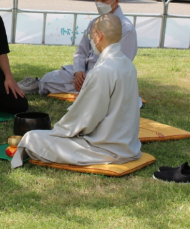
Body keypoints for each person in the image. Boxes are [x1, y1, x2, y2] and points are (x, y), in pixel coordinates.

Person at [11, 14, 142, 168]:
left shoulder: (102, 71)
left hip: (105, 148)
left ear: (99, 36)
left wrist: (58, 130)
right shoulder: (127, 65)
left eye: (91, 35)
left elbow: (85, 119)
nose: (90, 39)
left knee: (31, 138)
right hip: (129, 145)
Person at [18, 0, 137, 95]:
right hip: (86, 72)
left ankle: (41, 85)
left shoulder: (126, 29)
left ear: (116, 1)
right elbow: (81, 51)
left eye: (103, 0)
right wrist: (78, 71)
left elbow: (120, 65)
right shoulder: (95, 22)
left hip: (105, 77)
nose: (98, 3)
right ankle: (43, 83)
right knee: (51, 77)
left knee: (90, 87)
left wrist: (94, 76)